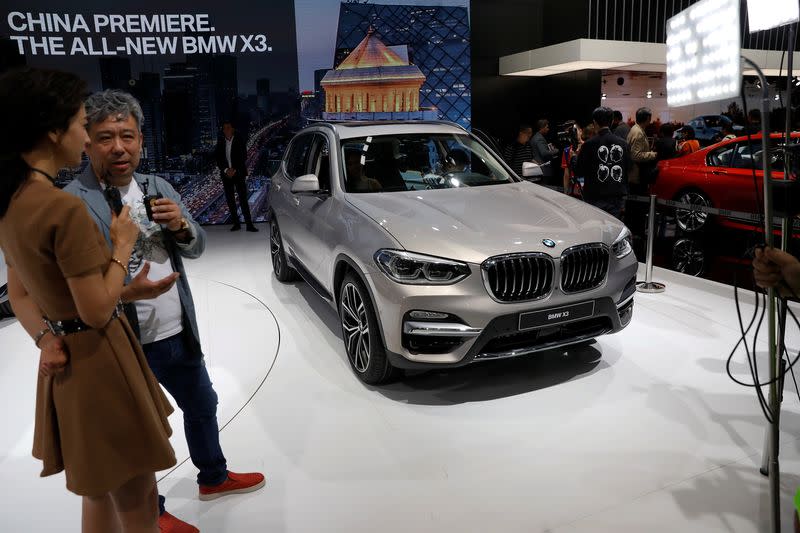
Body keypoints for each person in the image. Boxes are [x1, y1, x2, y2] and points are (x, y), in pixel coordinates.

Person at [64, 90, 265, 533]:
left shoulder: (159, 187)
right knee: (141, 432)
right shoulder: (73, 203)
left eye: (128, 136)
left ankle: (213, 476)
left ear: (141, 141)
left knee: (202, 404)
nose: (119, 147)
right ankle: (149, 512)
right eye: (105, 137)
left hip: (178, 328)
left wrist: (180, 225)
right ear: (87, 144)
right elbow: (70, 292)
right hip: (122, 342)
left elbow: (196, 248)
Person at [0, 68, 176, 532]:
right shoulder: (63, 208)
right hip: (103, 362)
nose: (85, 138)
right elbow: (97, 310)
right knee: (136, 496)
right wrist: (121, 245)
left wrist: (44, 338)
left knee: (98, 492)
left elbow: (21, 292)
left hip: (68, 364)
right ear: (53, 130)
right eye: (81, 125)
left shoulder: (15, 201)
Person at [575, 106, 630, 219]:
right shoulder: (623, 143)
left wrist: (574, 158)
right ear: (611, 122)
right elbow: (628, 167)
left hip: (594, 195)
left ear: (594, 122)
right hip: (616, 195)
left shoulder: (589, 144)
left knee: (596, 228)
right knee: (613, 229)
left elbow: (579, 171)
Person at [215, 121, 258, 232]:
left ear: (232, 129)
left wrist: (234, 169)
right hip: (226, 175)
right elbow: (218, 158)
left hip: (238, 173)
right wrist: (226, 170)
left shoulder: (239, 140)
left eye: (228, 128)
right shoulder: (220, 142)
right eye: (224, 128)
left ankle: (249, 225)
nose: (226, 130)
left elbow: (243, 156)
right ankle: (236, 224)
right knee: (230, 200)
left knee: (243, 199)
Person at [626, 107, 658, 191]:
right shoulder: (638, 132)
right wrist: (653, 154)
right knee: (638, 200)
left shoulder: (636, 129)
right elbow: (636, 155)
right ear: (648, 118)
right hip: (636, 174)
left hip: (635, 172)